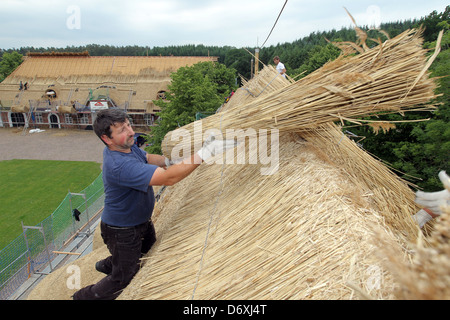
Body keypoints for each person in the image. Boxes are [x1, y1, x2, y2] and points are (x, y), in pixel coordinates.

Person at [73, 108, 236, 300]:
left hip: (140, 222)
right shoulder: (120, 166)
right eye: (122, 130)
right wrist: (205, 152)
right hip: (122, 230)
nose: (131, 132)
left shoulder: (126, 146)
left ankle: (108, 263)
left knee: (147, 252)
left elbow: (148, 158)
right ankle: (83, 296)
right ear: (107, 139)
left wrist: (169, 160)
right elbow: (169, 179)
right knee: (123, 278)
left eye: (128, 125)